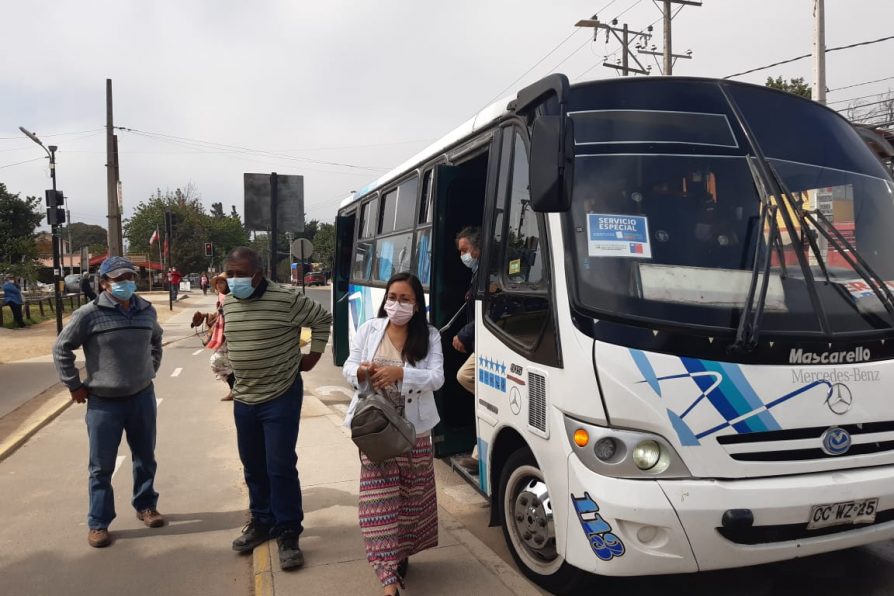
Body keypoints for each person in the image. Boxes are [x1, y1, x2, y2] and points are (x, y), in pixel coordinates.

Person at [223, 247, 332, 571]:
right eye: (229, 273)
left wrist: (312, 356)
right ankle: (262, 521)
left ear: (258, 274)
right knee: (252, 465)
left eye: (240, 274)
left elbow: (322, 319)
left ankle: (288, 531)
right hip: (244, 397)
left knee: (279, 465)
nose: (233, 280)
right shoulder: (228, 302)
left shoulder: (285, 299)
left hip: (280, 395)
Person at [52, 256, 165, 548]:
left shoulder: (145, 310)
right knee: (101, 466)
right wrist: (73, 384)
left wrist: (150, 369)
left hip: (141, 397)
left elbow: (156, 340)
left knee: (145, 457)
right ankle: (98, 523)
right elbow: (62, 347)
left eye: (129, 277)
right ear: (103, 283)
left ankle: (146, 506)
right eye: (117, 279)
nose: (125, 282)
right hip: (104, 403)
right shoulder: (89, 314)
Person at [343, 272, 444, 595]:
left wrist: (402, 372)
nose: (396, 304)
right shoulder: (369, 330)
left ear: (416, 305)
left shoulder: (429, 335)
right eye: (392, 297)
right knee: (378, 504)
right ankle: (388, 580)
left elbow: (436, 378)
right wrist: (362, 371)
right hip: (376, 431)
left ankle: (399, 556)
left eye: (404, 299)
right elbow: (348, 367)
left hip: (414, 433)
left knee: (409, 502)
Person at [452, 226, 480, 474]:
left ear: (477, 246)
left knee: (465, 376)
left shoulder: (490, 272)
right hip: (483, 341)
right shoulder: (479, 272)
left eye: (465, 250)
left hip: (489, 341)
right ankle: (478, 452)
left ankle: (479, 453)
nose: (463, 256)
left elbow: (493, 308)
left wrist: (465, 333)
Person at [191, 274, 234, 400]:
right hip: (223, 335)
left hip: (230, 335)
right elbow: (219, 316)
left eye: (222, 282)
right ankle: (234, 389)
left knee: (217, 362)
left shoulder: (232, 297)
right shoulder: (221, 297)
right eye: (217, 283)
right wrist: (206, 316)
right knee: (225, 364)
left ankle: (235, 389)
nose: (219, 285)